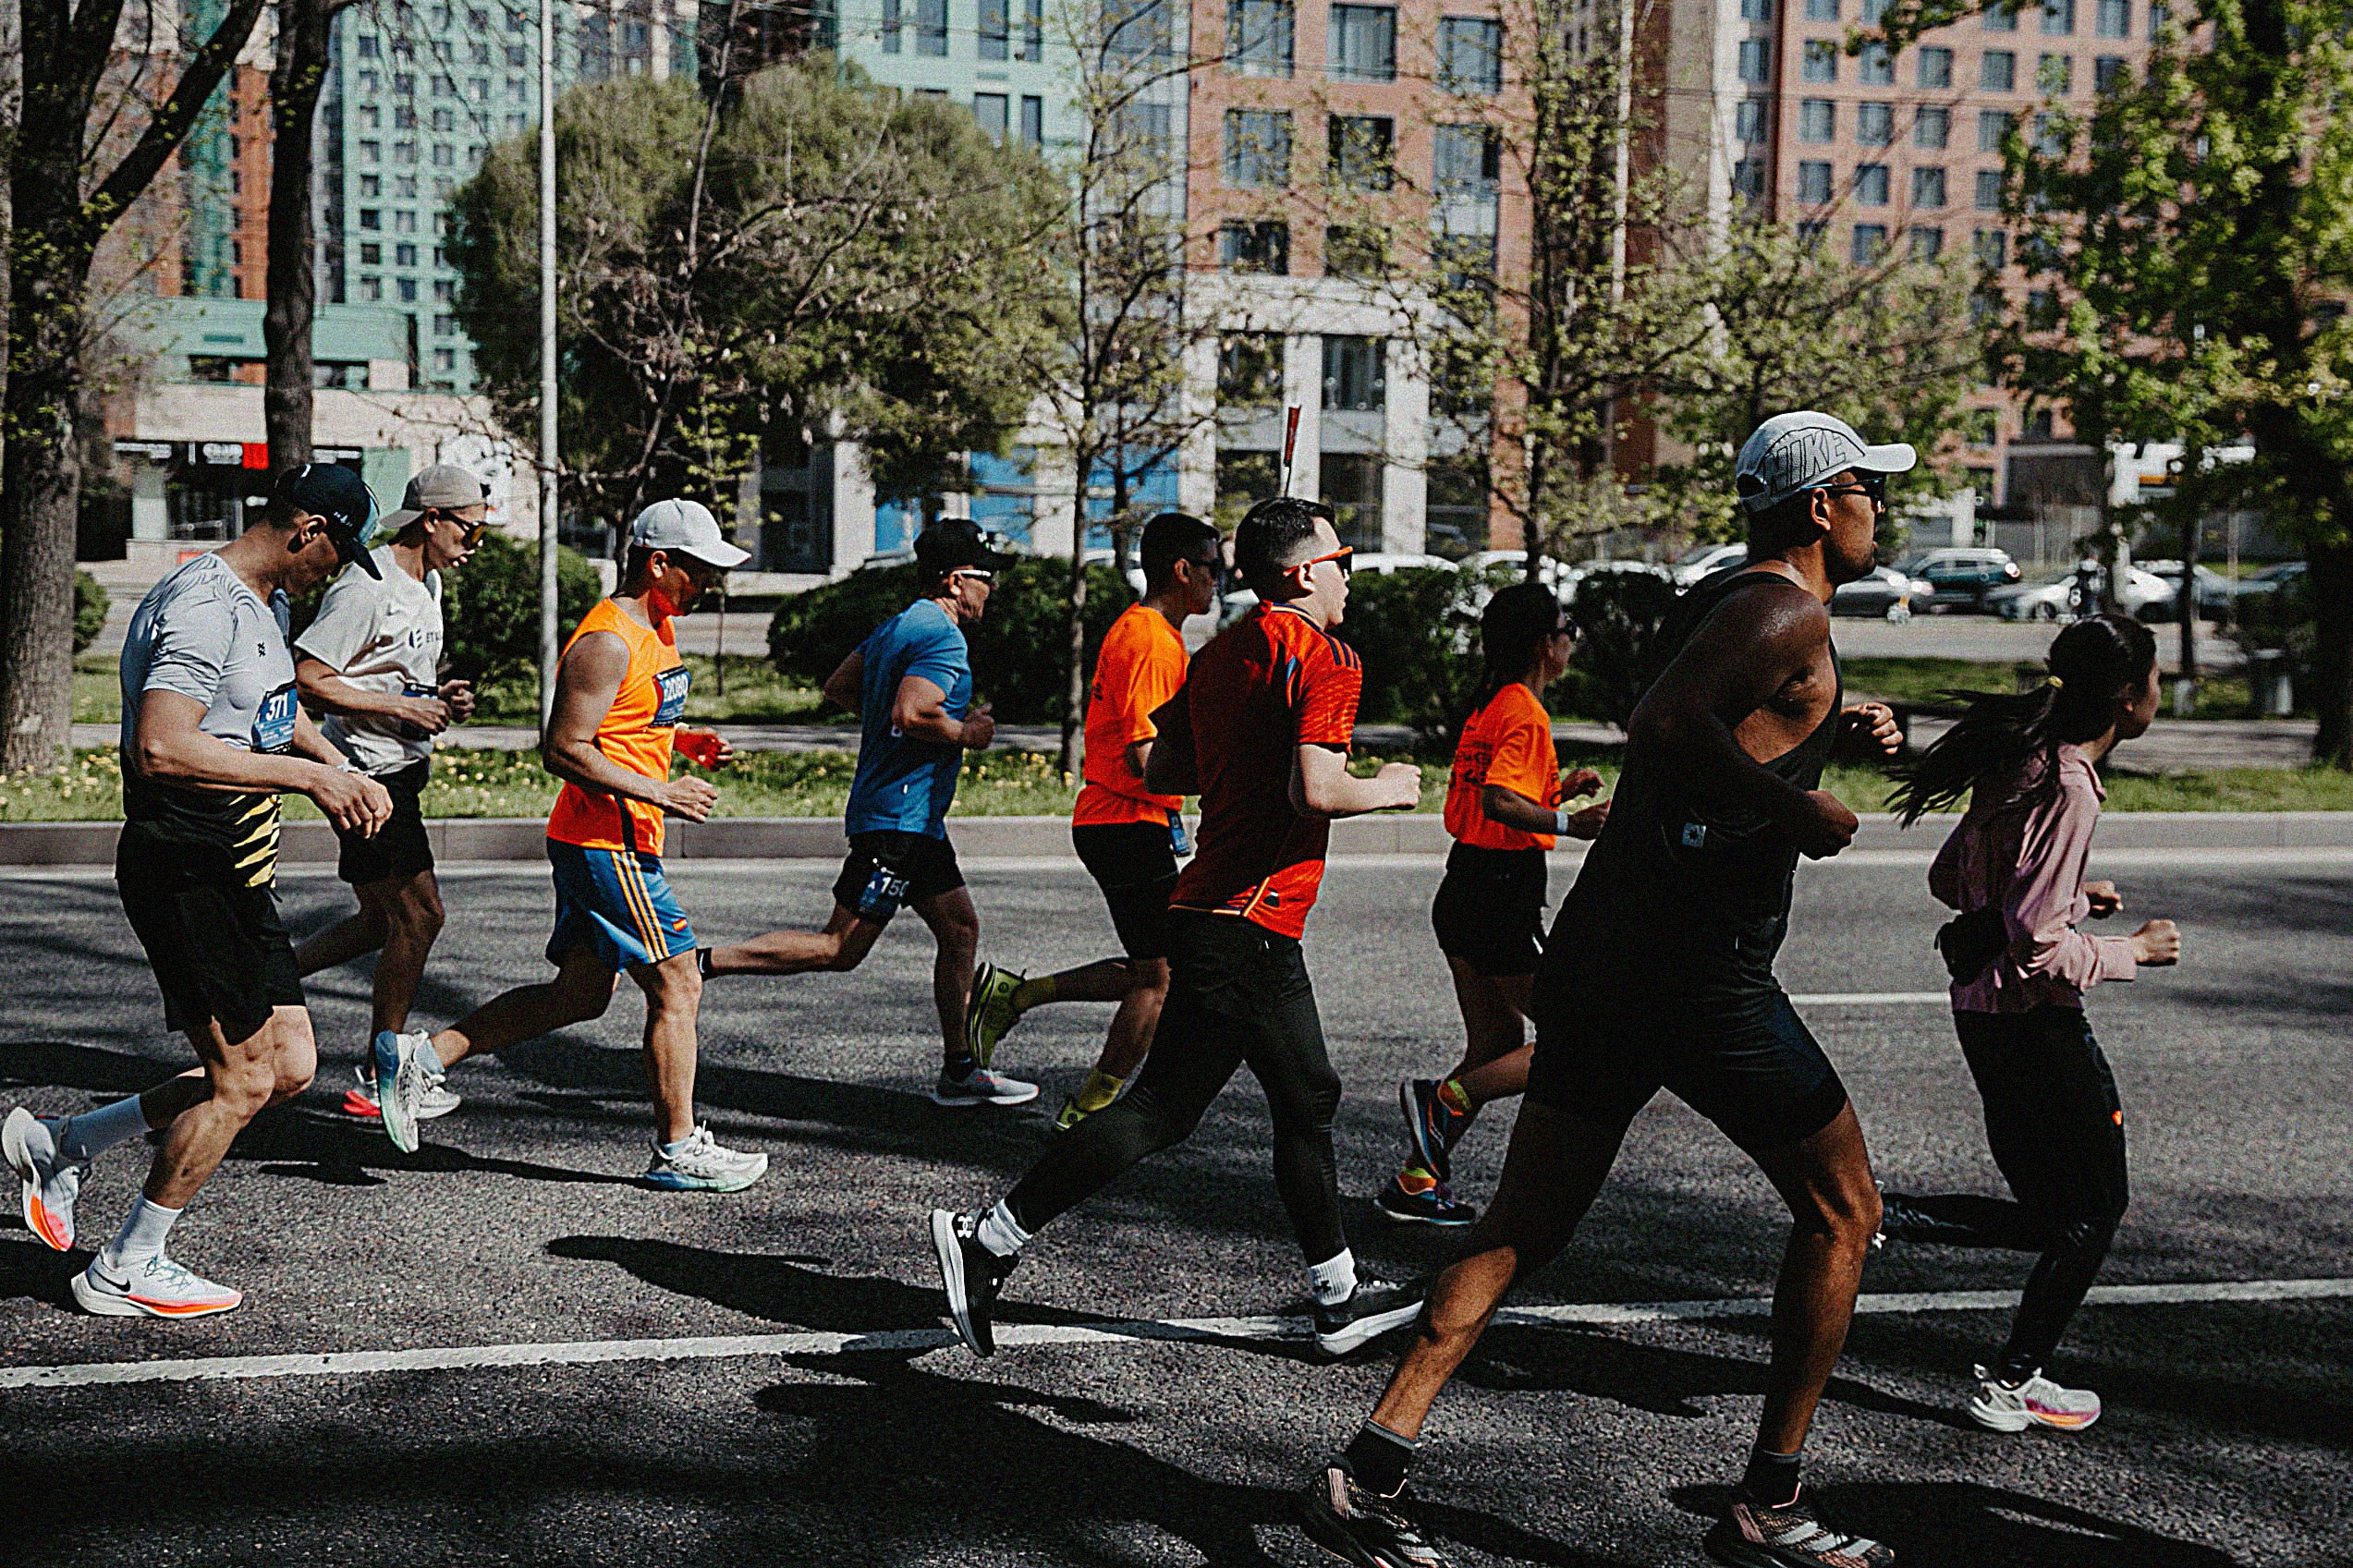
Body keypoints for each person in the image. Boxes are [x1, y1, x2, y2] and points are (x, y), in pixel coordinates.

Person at [1296, 411, 1908, 1568]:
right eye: (1870, 488)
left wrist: (1835, 735)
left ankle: (1364, 1471)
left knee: (1524, 1222)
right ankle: (1768, 1503)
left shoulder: (1726, 604)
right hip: (1696, 972)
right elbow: (1663, 724)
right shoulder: (1786, 606)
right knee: (1845, 1209)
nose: (1884, 507)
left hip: (1609, 956)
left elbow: (1728, 720)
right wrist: (1801, 808)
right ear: (1821, 503)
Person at [930, 497, 1430, 1361]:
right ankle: (990, 1239)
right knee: (1275, 1097)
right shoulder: (1325, 657)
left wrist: (1253, 749)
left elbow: (1167, 765)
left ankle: (996, 1240)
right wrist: (1391, 784)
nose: (1350, 572)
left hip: (1212, 908)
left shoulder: (1224, 649)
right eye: (1342, 556)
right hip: (1249, 916)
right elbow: (1318, 789)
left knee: (1230, 1102)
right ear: (1304, 571)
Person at [3, 464, 393, 1318]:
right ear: (308, 530)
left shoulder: (263, 601)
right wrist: (306, 780)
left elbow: (269, 703)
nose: (334, 571)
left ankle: (69, 1143)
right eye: (337, 551)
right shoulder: (203, 602)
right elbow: (163, 747)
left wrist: (335, 762)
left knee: (289, 1067)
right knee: (241, 1080)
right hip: (184, 866)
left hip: (237, 868)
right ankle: (126, 1264)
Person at [371, 499, 769, 1193]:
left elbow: (632, 721)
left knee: (581, 995)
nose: (710, 583)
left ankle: (424, 1057)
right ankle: (678, 1148)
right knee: (680, 981)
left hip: (614, 835)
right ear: (658, 562)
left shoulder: (659, 627)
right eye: (700, 570)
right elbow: (562, 748)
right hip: (605, 841)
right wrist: (661, 791)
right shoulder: (606, 641)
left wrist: (689, 744)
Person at [1878, 614, 2175, 1434]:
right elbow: (2042, 950)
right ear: (2125, 695)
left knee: (2055, 1212)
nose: (2160, 693)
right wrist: (2133, 952)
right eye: (2155, 679)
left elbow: (1954, 879)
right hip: (2036, 1022)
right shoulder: (2070, 784)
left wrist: (2075, 895)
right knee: (2094, 1206)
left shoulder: (2022, 762)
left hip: (1982, 1014)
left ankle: (1880, 1216)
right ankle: (2016, 1380)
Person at [698, 519, 1038, 1109]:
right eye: (988, 578)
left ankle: (961, 1070)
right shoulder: (943, 636)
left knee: (960, 930)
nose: (993, 589)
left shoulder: (898, 625)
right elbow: (914, 713)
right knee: (839, 948)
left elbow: (838, 687)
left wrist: (889, 725)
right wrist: (971, 733)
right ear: (957, 581)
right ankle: (697, 964)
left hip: (911, 820)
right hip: (898, 822)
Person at [965, 512, 1225, 1131]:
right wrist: (1225, 779)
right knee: (1161, 980)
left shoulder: (1149, 632)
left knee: (1148, 967)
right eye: (1216, 568)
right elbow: (1144, 762)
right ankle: (1091, 1109)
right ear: (1183, 571)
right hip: (1125, 821)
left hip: (1126, 821)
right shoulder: (1152, 642)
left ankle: (1015, 995)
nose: (1222, 581)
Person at [1382, 582, 1608, 1228]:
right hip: (1499, 895)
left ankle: (1415, 1180)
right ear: (1546, 641)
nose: (1573, 641)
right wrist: (1574, 824)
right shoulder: (1525, 710)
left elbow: (1498, 793)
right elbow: (1499, 803)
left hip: (1465, 888)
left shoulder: (1494, 704)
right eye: (1569, 629)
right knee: (1574, 1040)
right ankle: (1439, 1099)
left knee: (1497, 1038)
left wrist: (1558, 791)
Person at [290, 462, 486, 1124]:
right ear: (431, 519)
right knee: (421, 915)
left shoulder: (425, 581)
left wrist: (437, 696)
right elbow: (308, 677)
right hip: (366, 773)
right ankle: (384, 1073)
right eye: (470, 531)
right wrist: (399, 709)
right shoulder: (365, 585)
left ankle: (269, 977)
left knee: (381, 921)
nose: (473, 546)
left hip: (399, 767)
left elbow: (394, 677)